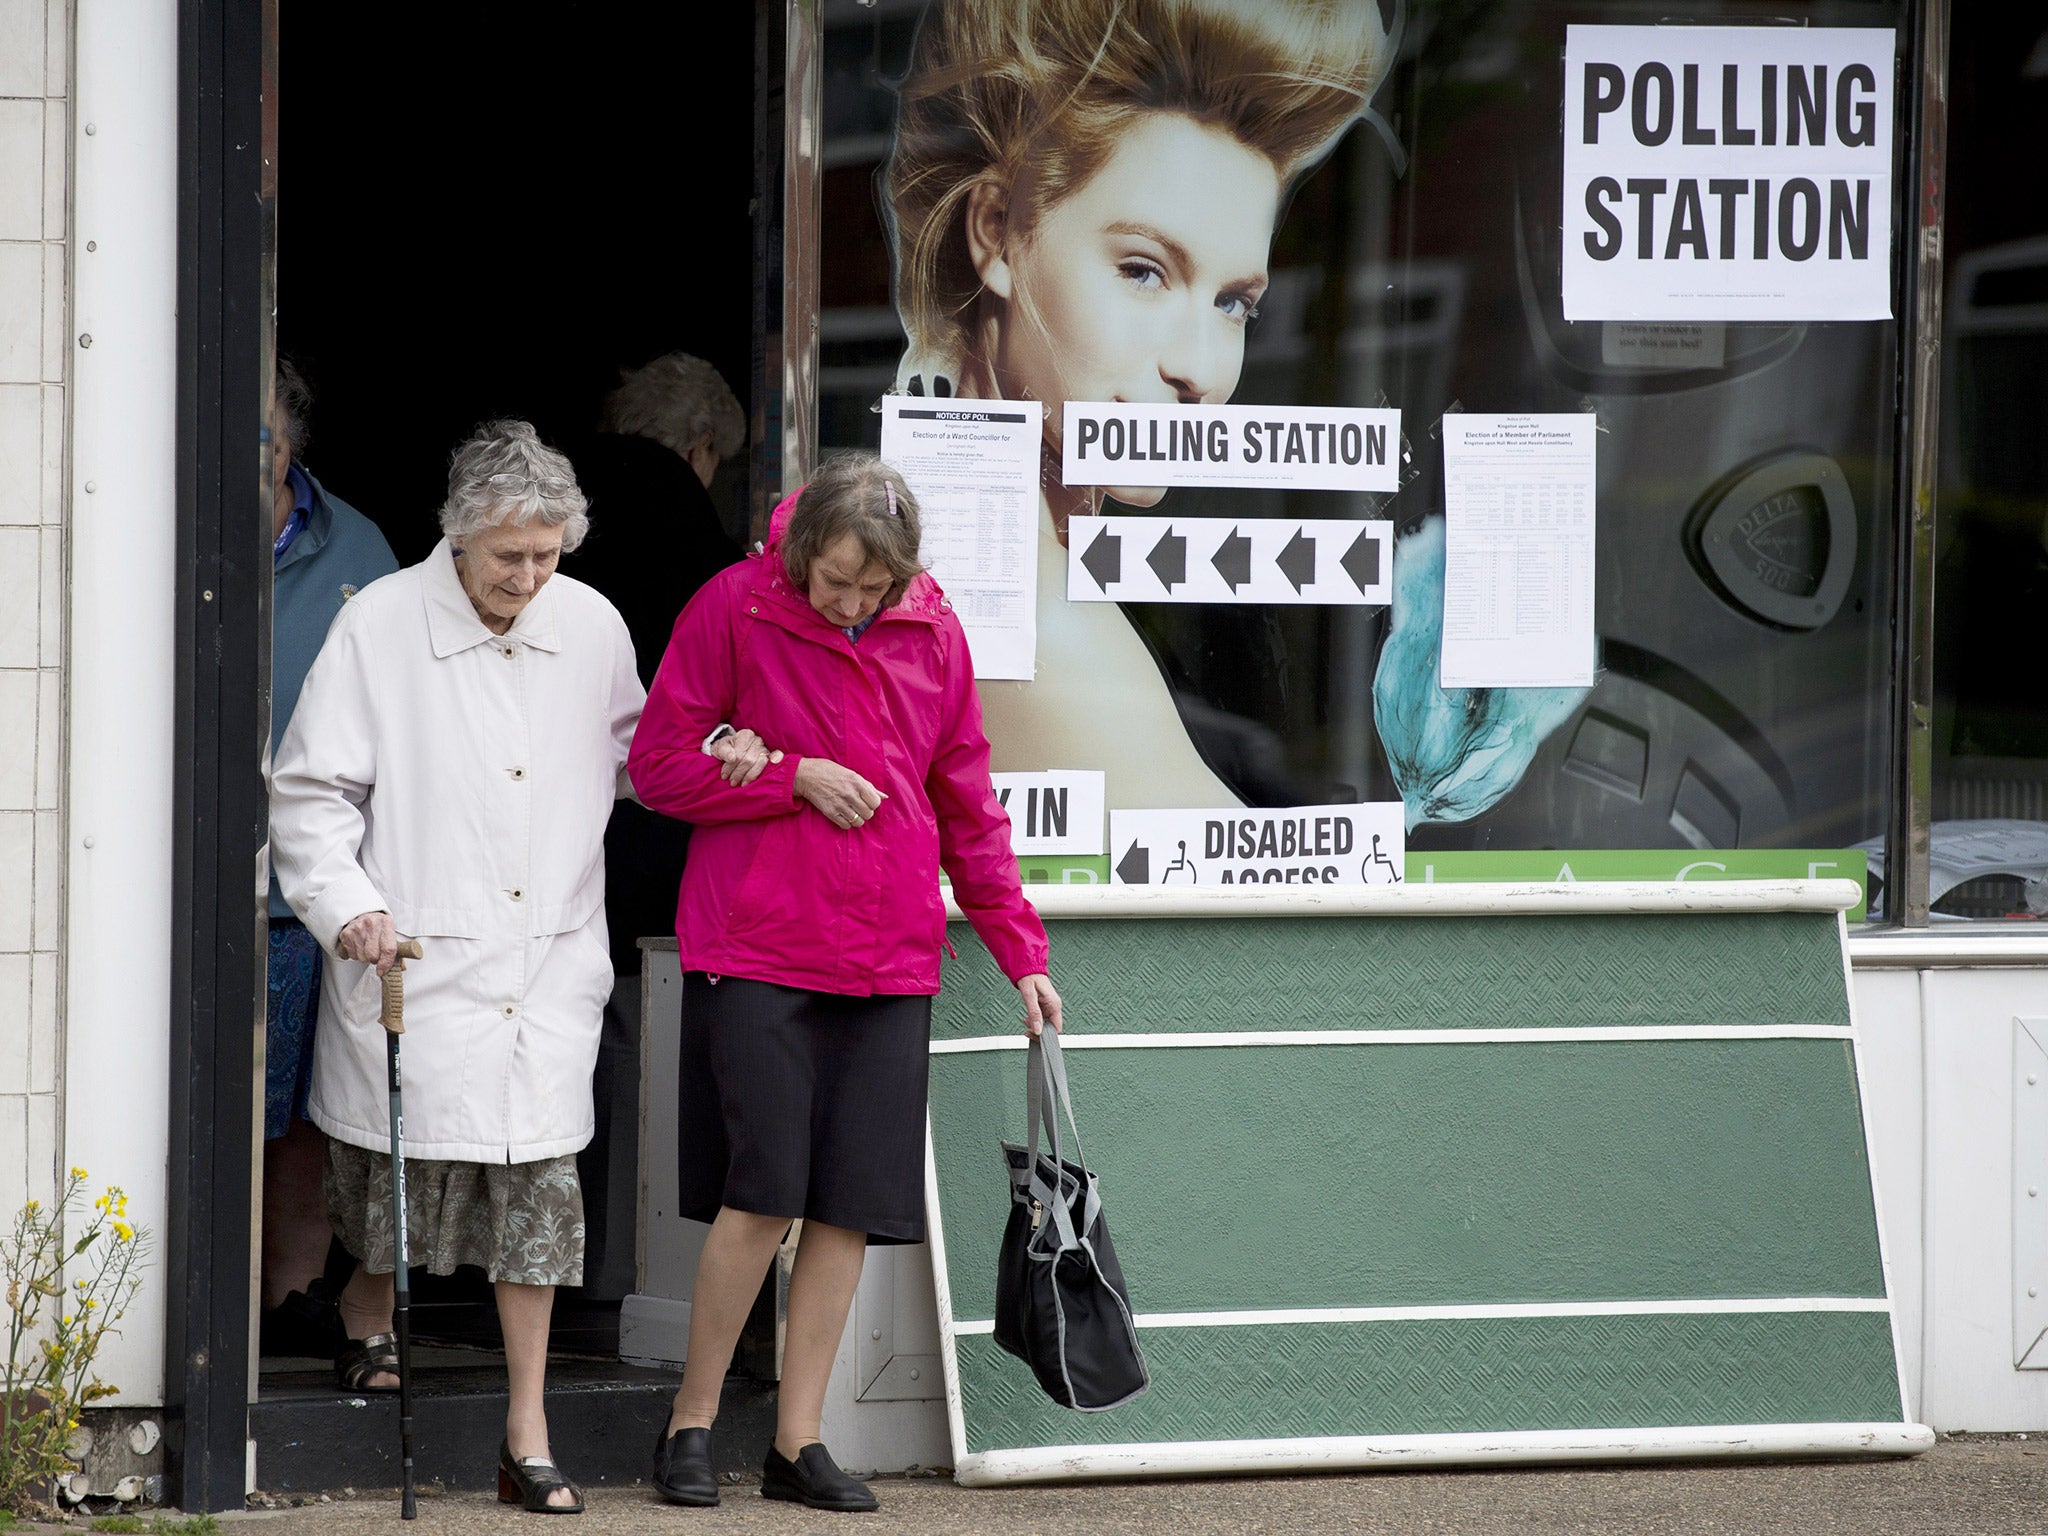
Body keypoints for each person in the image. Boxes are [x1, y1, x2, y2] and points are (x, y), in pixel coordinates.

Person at [629, 452, 1061, 1514]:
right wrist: (790, 777)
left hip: (889, 951)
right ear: (797, 547)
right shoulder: (733, 606)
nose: (853, 604)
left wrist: (1022, 952)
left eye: (874, 588)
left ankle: (796, 1440)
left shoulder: (935, 627)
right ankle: (688, 1424)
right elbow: (658, 767)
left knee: (847, 1209)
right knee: (762, 1191)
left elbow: (964, 794)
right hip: (760, 942)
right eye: (835, 581)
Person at [271, 420, 655, 1513]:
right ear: (458, 537)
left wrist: (709, 756)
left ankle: (525, 1431)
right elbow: (309, 792)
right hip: (418, 955)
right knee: (404, 1181)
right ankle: (367, 1310)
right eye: (507, 559)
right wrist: (350, 906)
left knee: (536, 1197)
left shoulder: (589, 623)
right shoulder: (381, 624)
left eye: (546, 555)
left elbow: (638, 757)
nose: (528, 579)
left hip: (544, 966)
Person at [884, 0, 1393, 808]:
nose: (1200, 368)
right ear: (997, 230)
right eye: (1144, 271)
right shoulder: (1044, 638)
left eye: (1234, 303)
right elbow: (1279, 932)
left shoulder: (970, 571)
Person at [566, 355, 750, 1294]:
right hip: (660, 811)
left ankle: (555, 1265)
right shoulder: (692, 529)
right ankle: (624, 1273)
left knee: (569, 1024)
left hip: (557, 806)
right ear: (703, 448)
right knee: (650, 1018)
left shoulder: (563, 500)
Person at [260, 354, 398, 1357]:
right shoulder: (166, 513)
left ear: (293, 438)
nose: (252, 448)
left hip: (314, 878)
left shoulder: (360, 547)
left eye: (266, 430)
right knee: (226, 1104)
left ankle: (291, 1291)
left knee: (310, 1108)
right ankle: (209, 1292)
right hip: (178, 870)